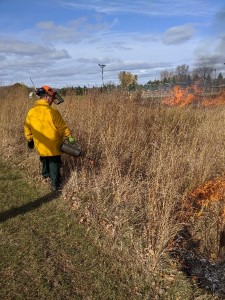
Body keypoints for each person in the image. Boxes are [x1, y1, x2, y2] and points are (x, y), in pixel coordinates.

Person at [24, 85, 75, 192]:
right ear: (46, 97)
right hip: (54, 143)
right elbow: (62, 126)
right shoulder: (53, 111)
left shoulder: (31, 112)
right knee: (54, 162)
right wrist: (69, 136)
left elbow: (27, 127)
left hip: (40, 143)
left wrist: (29, 139)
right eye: (51, 97)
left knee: (44, 158)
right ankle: (54, 184)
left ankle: (46, 175)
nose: (52, 100)